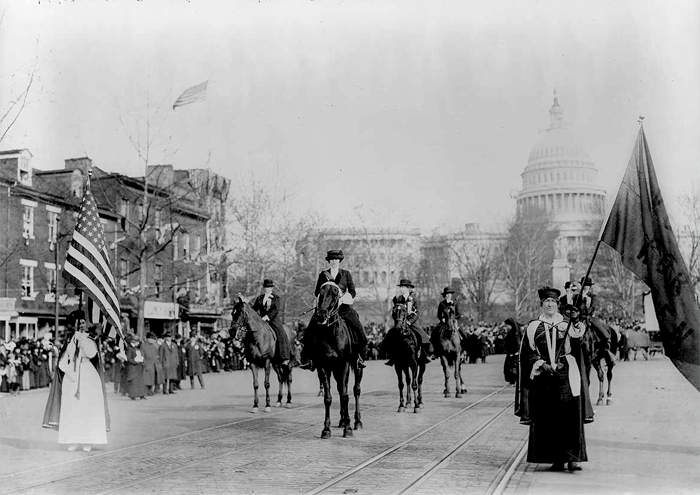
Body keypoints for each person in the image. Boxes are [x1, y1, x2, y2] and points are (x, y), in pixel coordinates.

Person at [515, 287, 589, 472]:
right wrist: (541, 363)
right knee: (550, 417)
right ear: (541, 304)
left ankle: (574, 458)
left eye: (553, 302)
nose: (550, 304)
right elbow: (528, 353)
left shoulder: (567, 323)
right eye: (547, 301)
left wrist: (576, 319)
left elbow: (579, 341)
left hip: (566, 373)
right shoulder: (533, 327)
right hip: (544, 375)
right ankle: (556, 458)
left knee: (570, 415)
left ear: (558, 305)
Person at [43, 310, 109, 452]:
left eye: (83, 322)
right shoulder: (69, 339)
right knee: (72, 408)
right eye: (78, 322)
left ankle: (88, 440)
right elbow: (65, 357)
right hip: (72, 376)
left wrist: (83, 341)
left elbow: (92, 354)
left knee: (87, 407)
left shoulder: (90, 339)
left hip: (87, 375)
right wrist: (61, 357)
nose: (80, 325)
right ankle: (73, 439)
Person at [303, 249, 367, 369]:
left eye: (336, 260)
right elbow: (317, 291)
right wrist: (323, 295)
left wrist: (344, 298)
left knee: (358, 329)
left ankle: (358, 357)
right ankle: (309, 359)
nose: (334, 262)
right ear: (329, 261)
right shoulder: (323, 274)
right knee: (309, 330)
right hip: (326, 308)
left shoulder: (346, 274)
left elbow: (352, 291)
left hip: (343, 307)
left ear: (339, 261)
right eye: (332, 260)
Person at [382, 279, 431, 366]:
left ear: (408, 288)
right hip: (400, 323)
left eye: (403, 287)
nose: (401, 289)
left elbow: (417, 313)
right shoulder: (398, 299)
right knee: (390, 336)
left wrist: (409, 321)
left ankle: (424, 355)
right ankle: (392, 357)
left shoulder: (413, 299)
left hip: (411, 323)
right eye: (401, 287)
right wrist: (397, 319)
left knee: (423, 336)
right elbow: (395, 311)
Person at [252, 279, 291, 366]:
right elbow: (254, 309)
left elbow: (276, 310)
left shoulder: (276, 298)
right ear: (263, 288)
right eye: (266, 287)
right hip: (261, 320)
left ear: (272, 288)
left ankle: (285, 357)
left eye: (269, 287)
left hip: (273, 320)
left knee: (281, 333)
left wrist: (268, 317)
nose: (267, 289)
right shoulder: (259, 298)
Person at [125, 334, 146, 400]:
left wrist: (142, 360)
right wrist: (136, 361)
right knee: (133, 382)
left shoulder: (137, 348)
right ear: (133, 342)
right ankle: (133, 395)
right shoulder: (130, 349)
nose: (138, 343)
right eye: (136, 341)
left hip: (139, 367)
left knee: (140, 382)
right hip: (133, 367)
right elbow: (128, 359)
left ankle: (141, 395)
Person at [502, 317, 521, 385]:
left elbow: (517, 345)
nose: (506, 327)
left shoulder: (515, 334)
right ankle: (512, 380)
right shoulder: (510, 333)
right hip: (510, 354)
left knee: (513, 369)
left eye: (506, 326)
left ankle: (514, 381)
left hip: (514, 355)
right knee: (508, 369)